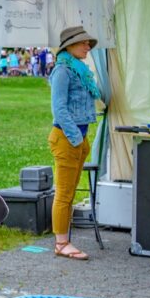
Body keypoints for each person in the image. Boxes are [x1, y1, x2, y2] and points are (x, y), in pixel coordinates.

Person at [48, 26, 101, 260]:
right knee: (65, 194)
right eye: (83, 42)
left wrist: (82, 140)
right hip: (68, 138)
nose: (87, 46)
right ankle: (61, 243)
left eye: (89, 42)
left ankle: (64, 240)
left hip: (78, 138)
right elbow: (59, 108)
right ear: (69, 45)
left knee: (68, 193)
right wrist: (76, 138)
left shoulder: (80, 70)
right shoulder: (63, 70)